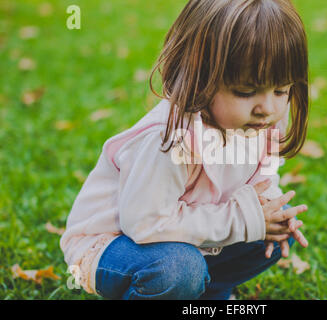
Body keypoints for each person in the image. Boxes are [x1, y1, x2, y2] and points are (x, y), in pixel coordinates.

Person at [60, 0, 310, 300]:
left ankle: (209, 295)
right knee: (179, 268)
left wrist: (269, 213)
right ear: (200, 78)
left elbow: (262, 183)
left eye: (281, 90)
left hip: (187, 236)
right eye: (245, 91)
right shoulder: (170, 140)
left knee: (275, 219)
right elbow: (145, 223)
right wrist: (244, 221)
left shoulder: (263, 122)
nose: (268, 108)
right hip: (116, 245)